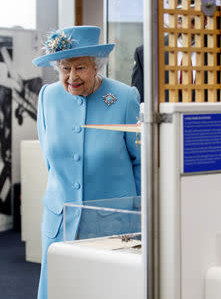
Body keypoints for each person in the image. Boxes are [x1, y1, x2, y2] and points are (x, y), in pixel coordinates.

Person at [32, 26, 141, 299]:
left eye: (80, 67)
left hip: (112, 225)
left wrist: (139, 213)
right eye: (65, 68)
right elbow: (49, 159)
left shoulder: (123, 97)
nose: (71, 77)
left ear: (96, 66)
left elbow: (141, 163)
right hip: (60, 222)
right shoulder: (48, 97)